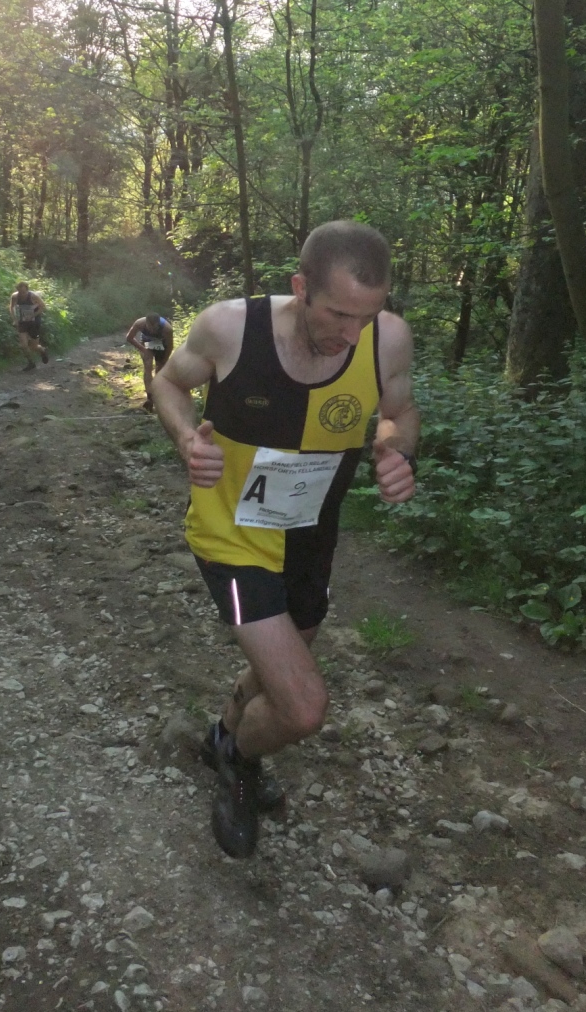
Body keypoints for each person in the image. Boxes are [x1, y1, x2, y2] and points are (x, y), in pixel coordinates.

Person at [151, 220, 419, 859]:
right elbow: (168, 382)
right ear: (301, 288)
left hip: (309, 538)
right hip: (232, 538)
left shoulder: (387, 339)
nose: (351, 334)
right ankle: (239, 763)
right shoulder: (230, 328)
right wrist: (187, 438)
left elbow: (398, 412)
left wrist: (397, 452)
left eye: (366, 317)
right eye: (338, 314)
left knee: (281, 664)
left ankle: (224, 733)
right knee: (302, 708)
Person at [125, 313, 174, 411]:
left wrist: (165, 359)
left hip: (162, 344)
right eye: (149, 328)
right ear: (146, 323)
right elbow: (129, 338)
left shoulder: (167, 329)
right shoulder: (139, 323)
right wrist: (143, 350)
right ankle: (149, 398)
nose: (152, 330)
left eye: (154, 328)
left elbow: (170, 346)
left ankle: (158, 395)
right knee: (148, 367)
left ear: (158, 324)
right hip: (147, 343)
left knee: (159, 370)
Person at [9, 282, 48, 371]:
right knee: (23, 345)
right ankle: (31, 363)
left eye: (24, 292)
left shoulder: (33, 296)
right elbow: (11, 307)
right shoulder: (15, 296)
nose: (22, 294)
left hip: (34, 321)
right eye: (20, 292)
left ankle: (42, 350)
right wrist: (14, 319)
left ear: (27, 290)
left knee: (34, 346)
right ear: (17, 290)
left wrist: (33, 315)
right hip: (22, 321)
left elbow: (43, 306)